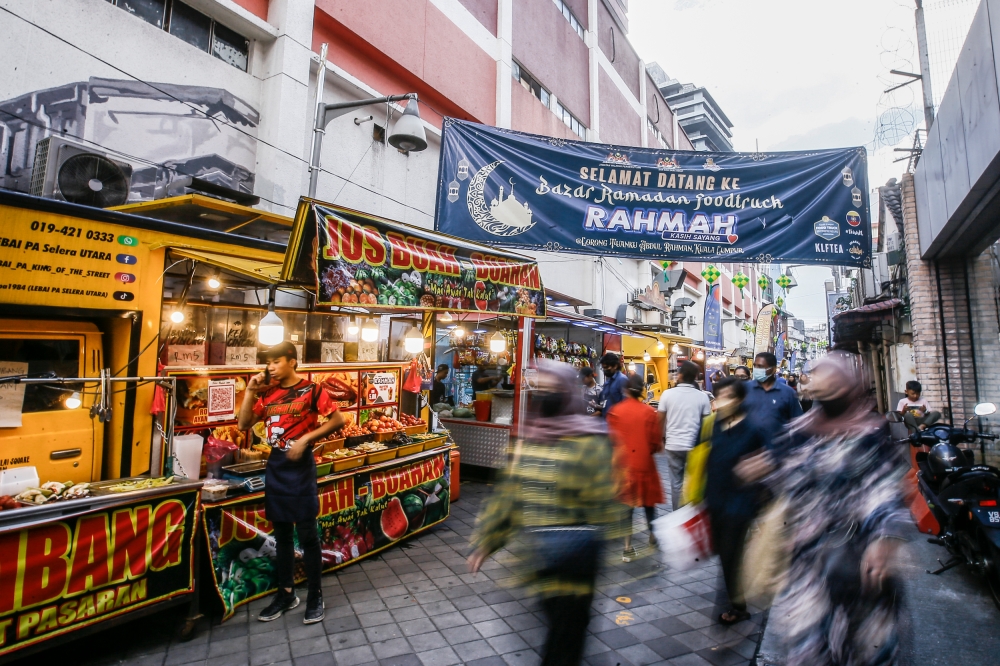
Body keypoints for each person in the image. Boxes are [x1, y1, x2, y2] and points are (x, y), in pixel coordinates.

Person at [736, 352, 908, 666]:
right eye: (821, 380)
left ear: (851, 388)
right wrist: (759, 472)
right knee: (810, 650)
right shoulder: (800, 432)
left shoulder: (870, 434)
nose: (826, 386)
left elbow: (885, 493)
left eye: (835, 382)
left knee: (866, 650)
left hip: (862, 568)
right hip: (808, 569)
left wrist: (884, 539)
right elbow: (781, 478)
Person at [469, 362, 619, 666]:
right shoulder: (529, 441)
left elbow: (606, 501)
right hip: (544, 561)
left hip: (574, 561)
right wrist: (487, 542)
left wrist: (614, 541)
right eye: (543, 390)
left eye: (553, 390)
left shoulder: (591, 443)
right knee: (564, 629)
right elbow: (508, 495)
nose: (546, 395)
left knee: (566, 632)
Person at [237, 341, 346, 624]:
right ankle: (286, 593)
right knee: (282, 535)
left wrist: (306, 439)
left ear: (292, 362)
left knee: (308, 535)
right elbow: (243, 424)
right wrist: (250, 391)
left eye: (276, 361)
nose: (271, 367)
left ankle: (315, 596)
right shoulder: (268, 394)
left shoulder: (313, 390)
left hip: (301, 469)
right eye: (268, 362)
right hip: (276, 467)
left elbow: (338, 420)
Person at [704, 376, 767, 625]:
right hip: (715, 501)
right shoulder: (715, 426)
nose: (722, 401)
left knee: (731, 555)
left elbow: (769, 460)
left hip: (739, 505)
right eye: (719, 396)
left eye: (728, 396)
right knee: (724, 554)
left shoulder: (753, 429)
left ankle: (738, 607)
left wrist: (757, 469)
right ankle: (736, 594)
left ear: (740, 399)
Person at [608, 374, 664, 562]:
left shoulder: (615, 411)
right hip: (644, 464)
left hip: (624, 466)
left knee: (626, 508)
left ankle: (627, 547)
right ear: (642, 391)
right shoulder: (649, 412)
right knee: (649, 504)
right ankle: (653, 536)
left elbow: (611, 439)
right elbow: (655, 443)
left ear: (625, 390)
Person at [657, 361, 712, 510]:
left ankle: (677, 514)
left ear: (680, 375)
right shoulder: (702, 397)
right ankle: (692, 514)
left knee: (676, 484)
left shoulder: (667, 394)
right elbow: (707, 423)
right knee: (694, 481)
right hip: (695, 446)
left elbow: (660, 419)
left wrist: (660, 440)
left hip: (673, 444)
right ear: (695, 377)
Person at [741, 352, 803, 446]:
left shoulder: (788, 393)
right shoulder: (744, 389)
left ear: (773, 369)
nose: (756, 369)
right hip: (749, 451)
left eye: (761, 367)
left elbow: (798, 424)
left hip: (777, 451)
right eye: (755, 366)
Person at [596, 353, 629, 417]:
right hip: (606, 420)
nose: (605, 370)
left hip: (617, 421)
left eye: (606, 367)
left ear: (615, 366)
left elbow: (626, 404)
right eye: (603, 368)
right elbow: (606, 402)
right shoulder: (608, 382)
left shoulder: (622, 380)